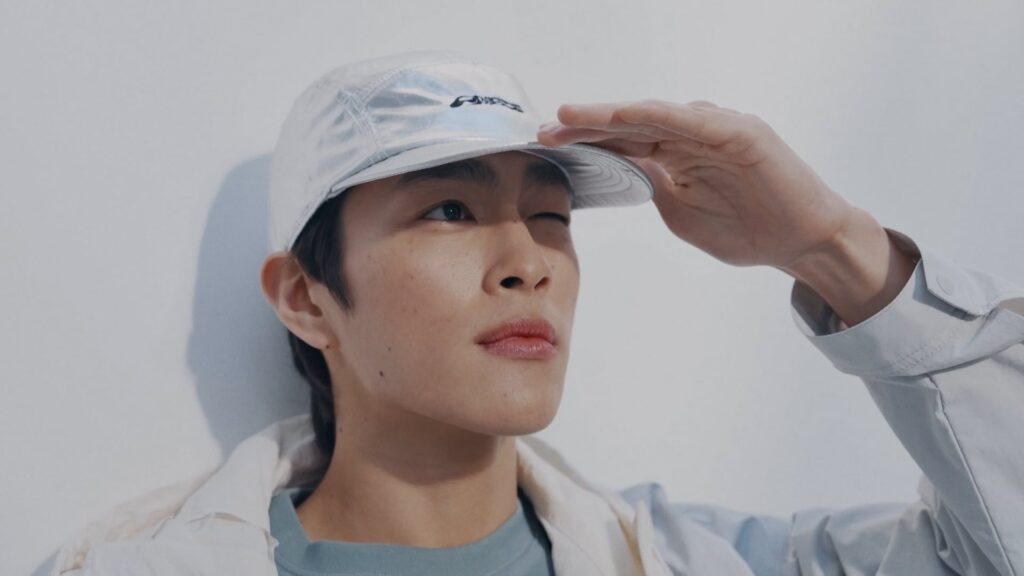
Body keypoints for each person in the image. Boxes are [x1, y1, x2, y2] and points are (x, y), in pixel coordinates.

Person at [53, 50, 1024, 575]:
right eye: (449, 210)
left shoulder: (693, 562)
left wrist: (834, 252)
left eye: (551, 217)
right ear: (307, 299)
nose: (528, 264)